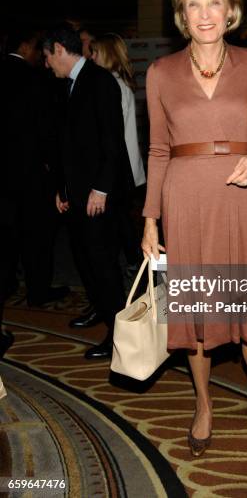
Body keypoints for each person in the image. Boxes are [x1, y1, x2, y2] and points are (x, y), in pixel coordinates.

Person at [141, 0, 247, 457]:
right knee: (198, 312)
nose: (205, 13)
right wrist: (149, 219)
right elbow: (158, 150)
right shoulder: (160, 73)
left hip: (246, 200)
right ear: (182, 15)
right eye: (193, 3)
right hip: (187, 203)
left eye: (214, 1)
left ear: (231, 9)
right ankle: (202, 405)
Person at [43, 24, 135, 359]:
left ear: (58, 49)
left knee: (104, 265)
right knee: (88, 261)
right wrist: (62, 188)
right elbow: (69, 144)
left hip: (100, 196)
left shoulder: (100, 81)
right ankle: (105, 316)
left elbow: (112, 143)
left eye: (47, 57)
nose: (46, 64)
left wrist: (101, 189)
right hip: (78, 194)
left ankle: (119, 339)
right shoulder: (68, 85)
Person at [0, 28, 68, 314]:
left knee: (4, 232)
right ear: (26, 45)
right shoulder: (35, 79)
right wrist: (56, 171)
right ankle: (38, 290)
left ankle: (5, 285)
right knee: (36, 235)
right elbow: (47, 130)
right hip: (31, 173)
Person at [90, 33, 146, 276]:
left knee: (118, 222)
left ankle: (133, 263)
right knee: (121, 220)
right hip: (124, 166)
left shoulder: (112, 85)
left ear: (106, 54)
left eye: (94, 52)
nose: (90, 57)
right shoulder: (118, 83)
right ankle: (134, 261)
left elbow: (112, 134)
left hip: (119, 168)